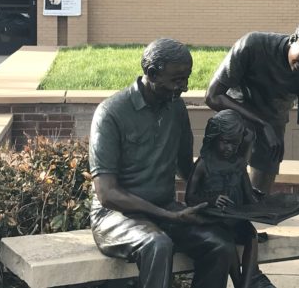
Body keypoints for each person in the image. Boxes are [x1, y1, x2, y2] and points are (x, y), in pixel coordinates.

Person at [89, 38, 237, 288]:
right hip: (115, 216)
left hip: (165, 210)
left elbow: (186, 169)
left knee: (219, 244)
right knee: (157, 244)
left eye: (186, 78)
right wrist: (169, 214)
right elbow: (107, 193)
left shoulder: (176, 109)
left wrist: (217, 196)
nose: (185, 87)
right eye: (177, 80)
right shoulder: (111, 113)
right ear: (151, 73)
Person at [206, 17, 299, 195]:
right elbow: (213, 96)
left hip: (273, 124)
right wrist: (262, 123)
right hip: (236, 115)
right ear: (293, 39)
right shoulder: (253, 45)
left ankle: (254, 212)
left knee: (259, 193)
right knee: (227, 185)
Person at [186, 109, 258, 288]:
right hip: (214, 219)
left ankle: (246, 284)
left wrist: (265, 207)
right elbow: (190, 197)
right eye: (225, 142)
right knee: (226, 239)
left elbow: (249, 195)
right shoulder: (204, 164)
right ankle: (239, 283)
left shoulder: (238, 163)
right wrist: (211, 200)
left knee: (252, 236)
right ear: (214, 137)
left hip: (236, 217)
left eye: (235, 144)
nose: (230, 149)